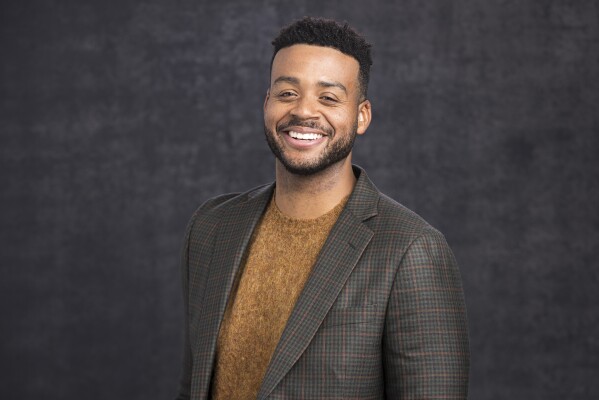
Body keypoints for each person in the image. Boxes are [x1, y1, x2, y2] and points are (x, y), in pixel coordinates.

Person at [176, 17, 470, 400]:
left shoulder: (411, 250)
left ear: (361, 115)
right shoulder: (212, 228)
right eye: (287, 93)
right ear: (266, 103)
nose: (303, 112)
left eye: (328, 98)